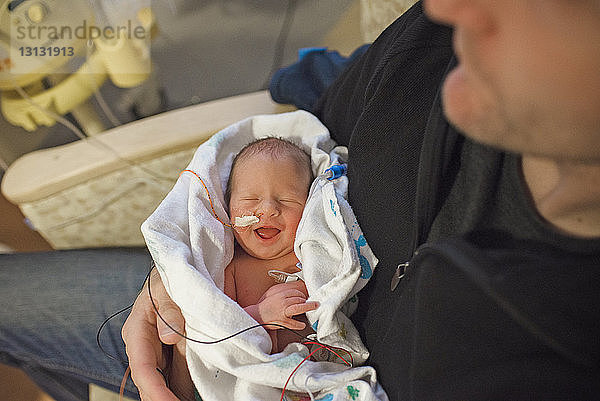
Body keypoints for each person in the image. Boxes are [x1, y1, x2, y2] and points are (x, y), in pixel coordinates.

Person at [1, 0, 599, 400]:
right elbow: (329, 85)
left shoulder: (541, 343)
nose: (443, 7)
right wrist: (184, 276)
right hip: (195, 325)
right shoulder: (435, 42)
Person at [222, 137, 318, 354]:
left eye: (286, 200)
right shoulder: (231, 267)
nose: (268, 209)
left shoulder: (311, 252)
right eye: (250, 199)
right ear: (227, 207)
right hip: (265, 374)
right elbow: (219, 325)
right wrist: (260, 315)